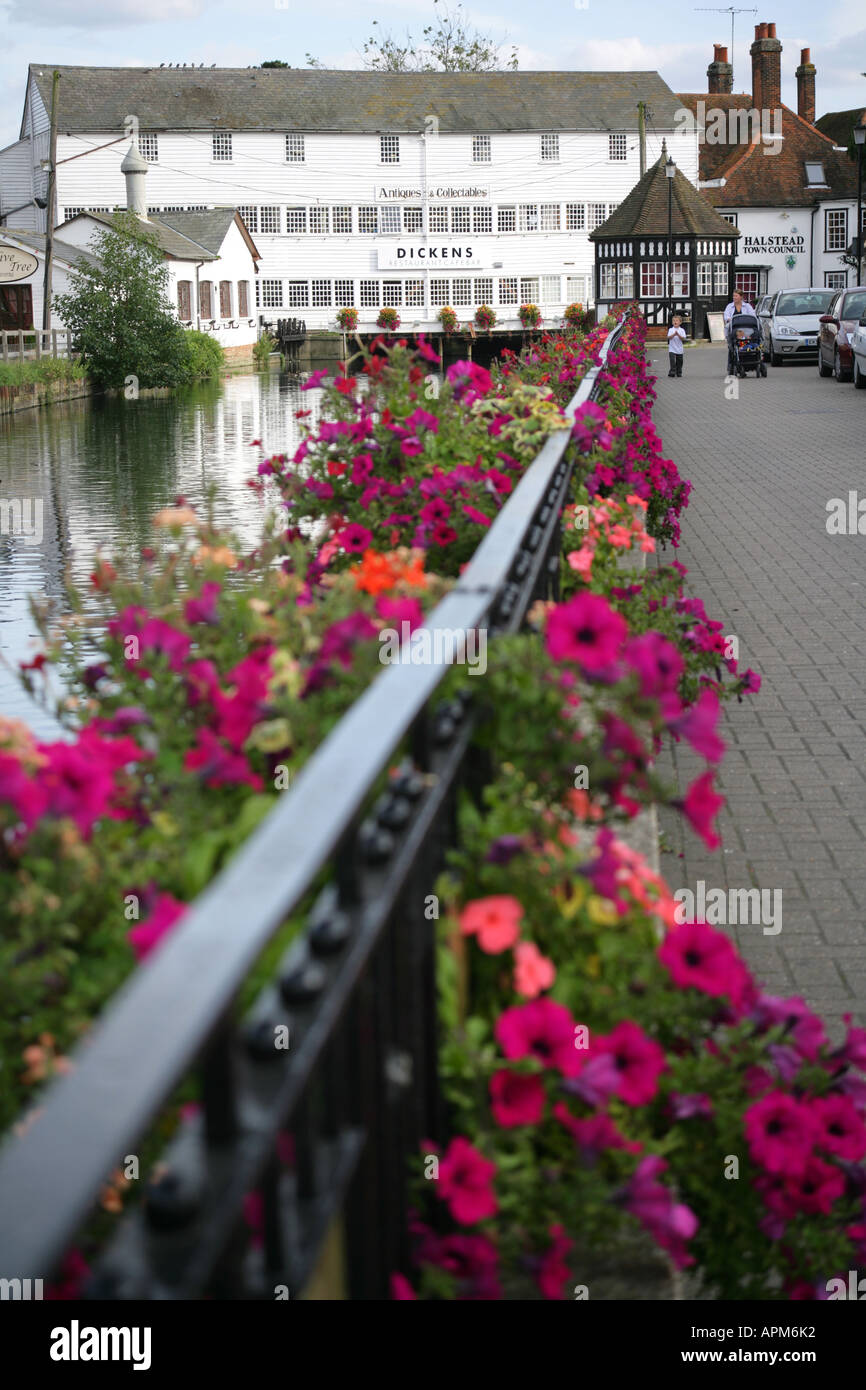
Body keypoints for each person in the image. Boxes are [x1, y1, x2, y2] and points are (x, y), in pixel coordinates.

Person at [723, 290, 758, 373]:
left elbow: (753, 316)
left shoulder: (747, 306)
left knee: (754, 333)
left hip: (746, 327)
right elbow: (726, 316)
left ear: (741, 297)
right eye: (733, 296)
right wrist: (729, 319)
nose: (734, 298)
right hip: (735, 329)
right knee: (732, 344)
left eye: (736, 296)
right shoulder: (729, 306)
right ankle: (732, 364)